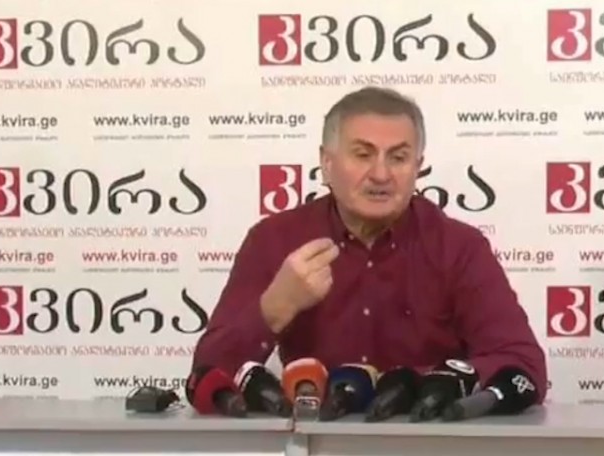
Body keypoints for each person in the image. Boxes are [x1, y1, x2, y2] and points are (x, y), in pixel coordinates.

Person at [190, 86, 546, 403]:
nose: (380, 174)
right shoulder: (276, 239)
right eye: (363, 155)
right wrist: (275, 308)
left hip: (430, 437)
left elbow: (523, 364)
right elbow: (207, 374)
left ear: (418, 167)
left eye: (398, 158)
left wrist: (421, 384)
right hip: (314, 441)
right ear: (327, 163)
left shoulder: (458, 247)